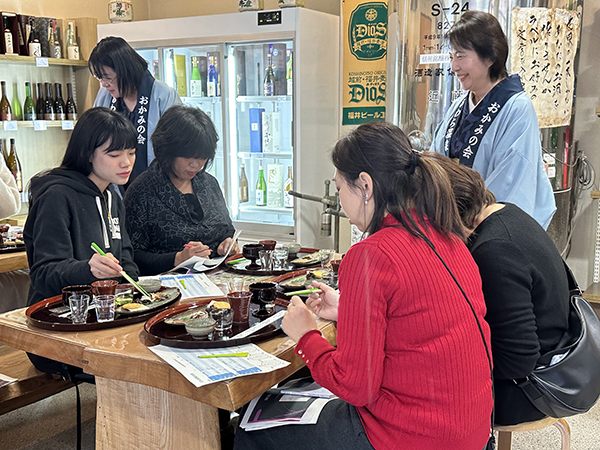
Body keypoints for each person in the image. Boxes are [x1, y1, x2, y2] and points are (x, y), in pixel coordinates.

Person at [234, 122, 493, 450]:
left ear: (365, 185)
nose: (339, 200)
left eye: (340, 188)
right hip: (472, 431)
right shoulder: (449, 238)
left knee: (251, 428)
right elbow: (418, 327)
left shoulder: (371, 255)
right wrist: (348, 310)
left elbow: (356, 387)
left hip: (409, 437)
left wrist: (306, 336)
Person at [428, 152, 571, 425]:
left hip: (529, 390)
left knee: (412, 387)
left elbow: (517, 360)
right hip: (554, 360)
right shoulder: (508, 213)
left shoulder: (494, 250)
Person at [24, 107, 140, 374]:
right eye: (114, 154)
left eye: (131, 153)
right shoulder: (56, 196)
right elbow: (43, 274)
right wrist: (88, 270)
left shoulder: (113, 195)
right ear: (88, 154)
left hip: (103, 319)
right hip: (56, 326)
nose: (126, 162)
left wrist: (136, 288)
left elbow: (127, 261)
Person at [430, 11, 556, 230]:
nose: (454, 67)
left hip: (490, 236)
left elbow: (511, 188)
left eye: (461, 56)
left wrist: (464, 224)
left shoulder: (517, 109)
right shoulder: (457, 109)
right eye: (451, 57)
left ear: (490, 57)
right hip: (452, 232)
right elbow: (433, 166)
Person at [124, 105, 237, 276]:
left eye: (201, 158)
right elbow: (132, 257)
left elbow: (226, 229)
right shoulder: (141, 192)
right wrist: (177, 258)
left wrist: (228, 244)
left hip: (218, 277)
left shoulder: (209, 183)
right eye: (188, 157)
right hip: (170, 288)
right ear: (168, 151)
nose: (196, 165)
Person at [89, 36, 182, 185]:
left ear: (125, 71)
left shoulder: (163, 95)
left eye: (108, 78)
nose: (104, 84)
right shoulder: (104, 96)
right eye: (100, 78)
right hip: (113, 187)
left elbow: (177, 147)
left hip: (156, 187)